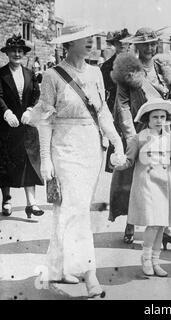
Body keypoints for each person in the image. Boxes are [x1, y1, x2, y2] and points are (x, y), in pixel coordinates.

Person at [26, 24, 126, 298]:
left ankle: (57, 268)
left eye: (90, 38)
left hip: (92, 148)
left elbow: (103, 112)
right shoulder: (51, 76)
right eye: (82, 39)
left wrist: (117, 142)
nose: (90, 43)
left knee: (68, 209)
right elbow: (45, 122)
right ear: (68, 45)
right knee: (77, 210)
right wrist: (46, 160)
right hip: (64, 148)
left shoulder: (95, 73)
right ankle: (90, 274)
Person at [110, 27, 171, 248]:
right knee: (134, 180)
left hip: (162, 129)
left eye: (153, 44)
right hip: (140, 129)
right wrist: (130, 136)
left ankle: (167, 230)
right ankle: (131, 224)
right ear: (137, 46)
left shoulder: (163, 69)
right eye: (145, 45)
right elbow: (122, 106)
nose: (150, 49)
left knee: (163, 178)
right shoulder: (128, 72)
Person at [115, 98, 171, 276]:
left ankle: (156, 261)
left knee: (161, 225)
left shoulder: (170, 139)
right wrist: (117, 162)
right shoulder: (138, 138)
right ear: (148, 119)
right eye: (155, 117)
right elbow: (128, 161)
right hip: (146, 184)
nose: (159, 120)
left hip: (164, 185)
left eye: (163, 117)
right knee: (153, 224)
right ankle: (146, 259)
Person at [0, 34, 44, 218]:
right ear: (7, 53)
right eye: (13, 51)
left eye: (20, 51)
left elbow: (36, 95)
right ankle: (7, 199)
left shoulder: (29, 74)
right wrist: (6, 112)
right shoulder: (1, 74)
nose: (17, 54)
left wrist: (30, 110)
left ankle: (31, 203)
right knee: (5, 163)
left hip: (26, 125)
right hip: (6, 126)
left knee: (29, 162)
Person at [100, 29, 129, 114]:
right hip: (113, 108)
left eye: (125, 41)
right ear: (114, 44)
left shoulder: (136, 64)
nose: (122, 44)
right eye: (118, 41)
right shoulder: (106, 66)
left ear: (129, 44)